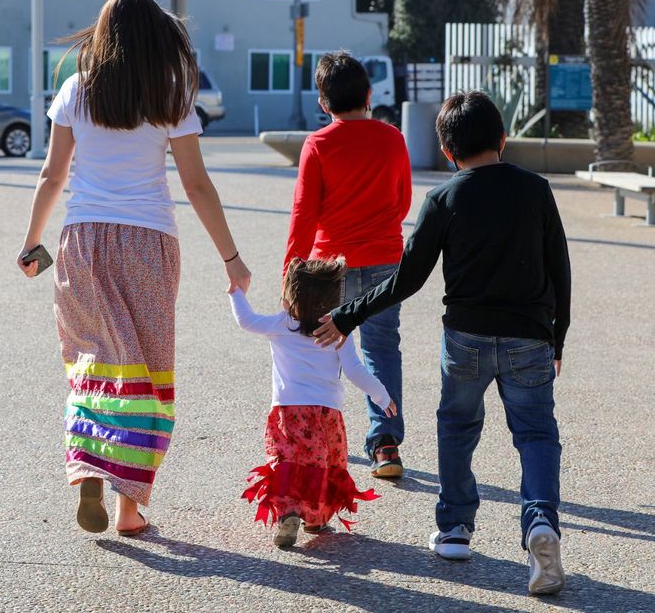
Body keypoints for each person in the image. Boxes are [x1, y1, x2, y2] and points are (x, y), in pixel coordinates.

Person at [315, 91, 571, 595]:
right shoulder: (536, 190)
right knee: (537, 434)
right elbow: (559, 270)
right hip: (530, 338)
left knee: (456, 426)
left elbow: (405, 279)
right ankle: (540, 522)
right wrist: (556, 338)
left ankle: (455, 527)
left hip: (466, 338)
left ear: (448, 152)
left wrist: (347, 315)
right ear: (503, 139)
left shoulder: (444, 199)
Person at [17, 0, 250, 537]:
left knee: (92, 364)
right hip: (149, 244)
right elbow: (195, 184)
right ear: (155, 39)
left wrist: (31, 243)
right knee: (144, 373)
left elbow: (52, 176)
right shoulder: (171, 94)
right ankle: (128, 508)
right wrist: (232, 257)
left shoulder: (76, 89)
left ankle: (88, 466)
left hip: (81, 241)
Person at [283, 51, 412, 479]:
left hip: (328, 267)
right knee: (379, 349)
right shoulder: (393, 138)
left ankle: (314, 441)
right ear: (369, 94)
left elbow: (303, 214)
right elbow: (402, 201)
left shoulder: (317, 145)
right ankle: (385, 443)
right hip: (384, 262)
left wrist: (290, 274)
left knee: (319, 351)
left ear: (324, 103)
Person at [230, 257, 397, 548]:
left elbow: (246, 320)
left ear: (289, 296)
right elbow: (357, 371)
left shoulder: (282, 324)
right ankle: (316, 517)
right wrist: (382, 396)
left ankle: (289, 514)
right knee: (321, 462)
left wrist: (236, 292)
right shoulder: (338, 331)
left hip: (288, 410)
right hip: (327, 412)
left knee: (288, 462)